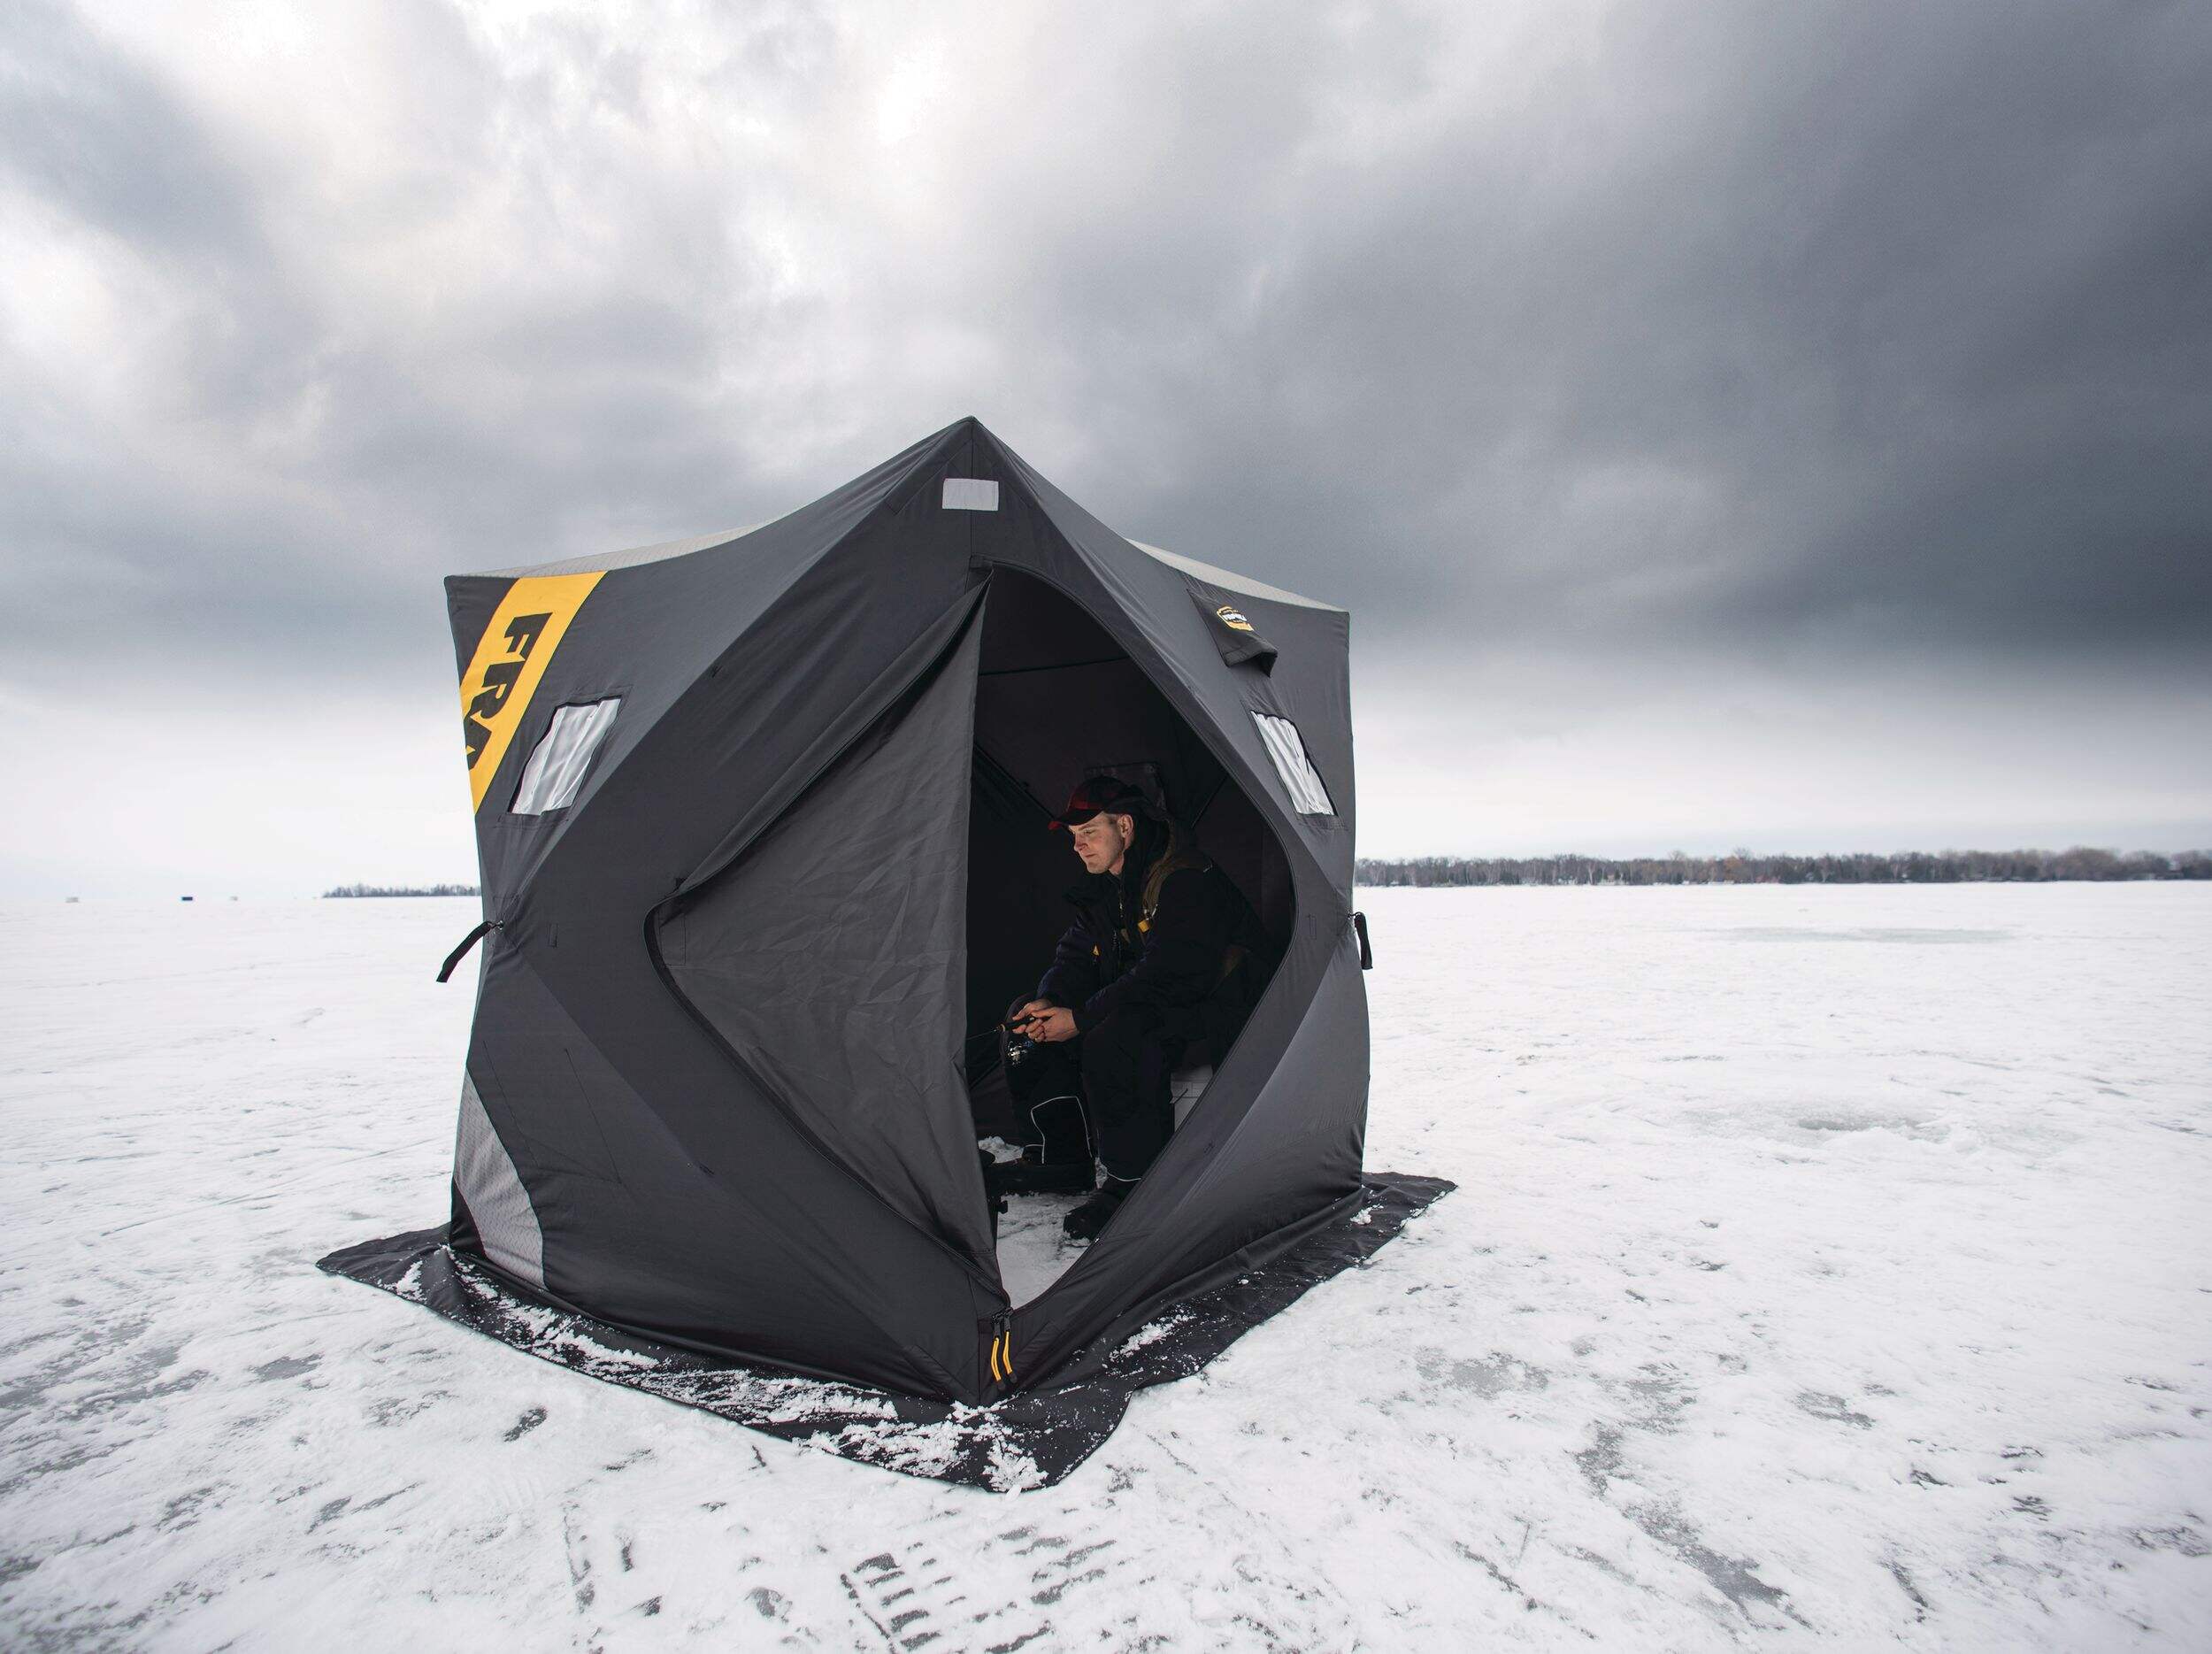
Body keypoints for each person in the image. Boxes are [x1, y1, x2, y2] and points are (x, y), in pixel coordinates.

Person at [1007, 775, 1272, 1242]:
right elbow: (1075, 954)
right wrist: (1049, 1000)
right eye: (1074, 836)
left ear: (1125, 827)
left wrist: (1082, 1018)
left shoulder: (1184, 878)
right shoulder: (1107, 885)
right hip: (1161, 995)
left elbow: (1170, 973)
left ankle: (1131, 1184)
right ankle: (1061, 1157)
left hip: (1223, 1005)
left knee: (1116, 1036)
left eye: (1089, 832)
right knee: (1024, 1019)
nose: (1078, 847)